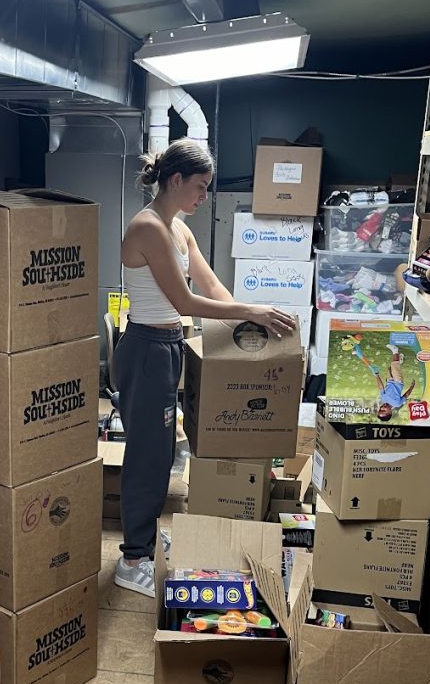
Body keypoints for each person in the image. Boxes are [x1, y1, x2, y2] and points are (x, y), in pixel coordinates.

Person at [113, 139, 296, 598]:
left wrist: (250, 324)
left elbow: (210, 285)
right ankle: (132, 557)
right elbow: (184, 301)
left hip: (169, 345)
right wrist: (249, 313)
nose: (203, 197)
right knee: (148, 455)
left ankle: (147, 537)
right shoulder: (148, 227)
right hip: (146, 348)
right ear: (174, 180)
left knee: (162, 448)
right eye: (199, 187)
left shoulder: (178, 229)